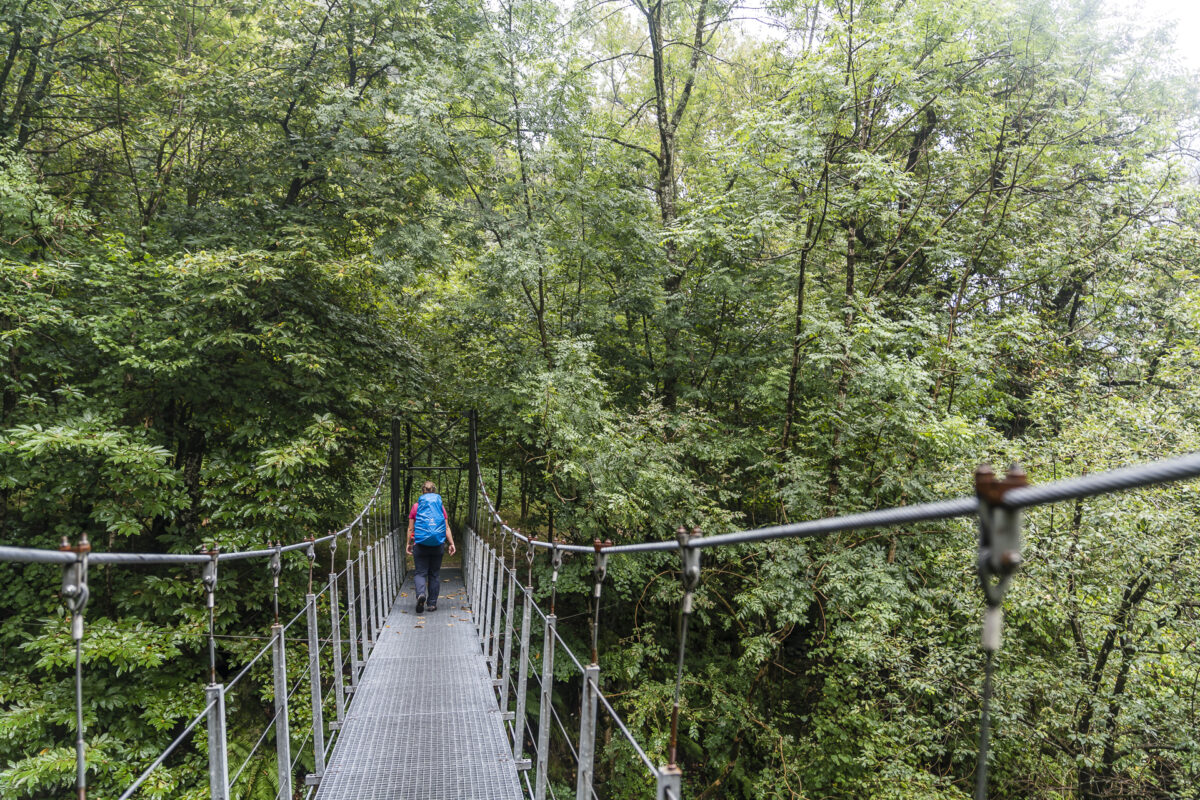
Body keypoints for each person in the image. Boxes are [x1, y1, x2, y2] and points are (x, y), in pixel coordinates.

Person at [406, 481, 456, 613]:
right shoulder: (440, 506)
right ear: (434, 491)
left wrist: (408, 543)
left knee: (420, 572)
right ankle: (432, 604)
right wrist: (451, 543)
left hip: (420, 544)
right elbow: (446, 527)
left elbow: (411, 528)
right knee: (434, 574)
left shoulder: (416, 506)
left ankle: (421, 594)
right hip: (437, 544)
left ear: (422, 491)